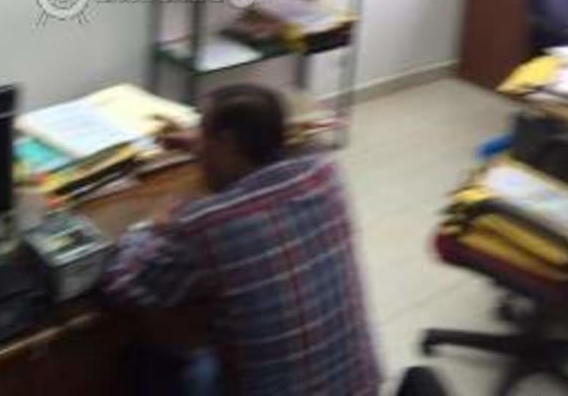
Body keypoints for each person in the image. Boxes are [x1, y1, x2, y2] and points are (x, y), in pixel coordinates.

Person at [101, 84, 381, 396]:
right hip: (361, 388)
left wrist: (153, 228)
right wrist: (203, 144)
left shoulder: (209, 224)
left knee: (158, 354)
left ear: (226, 142)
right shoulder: (323, 174)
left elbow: (124, 281)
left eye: (203, 133)